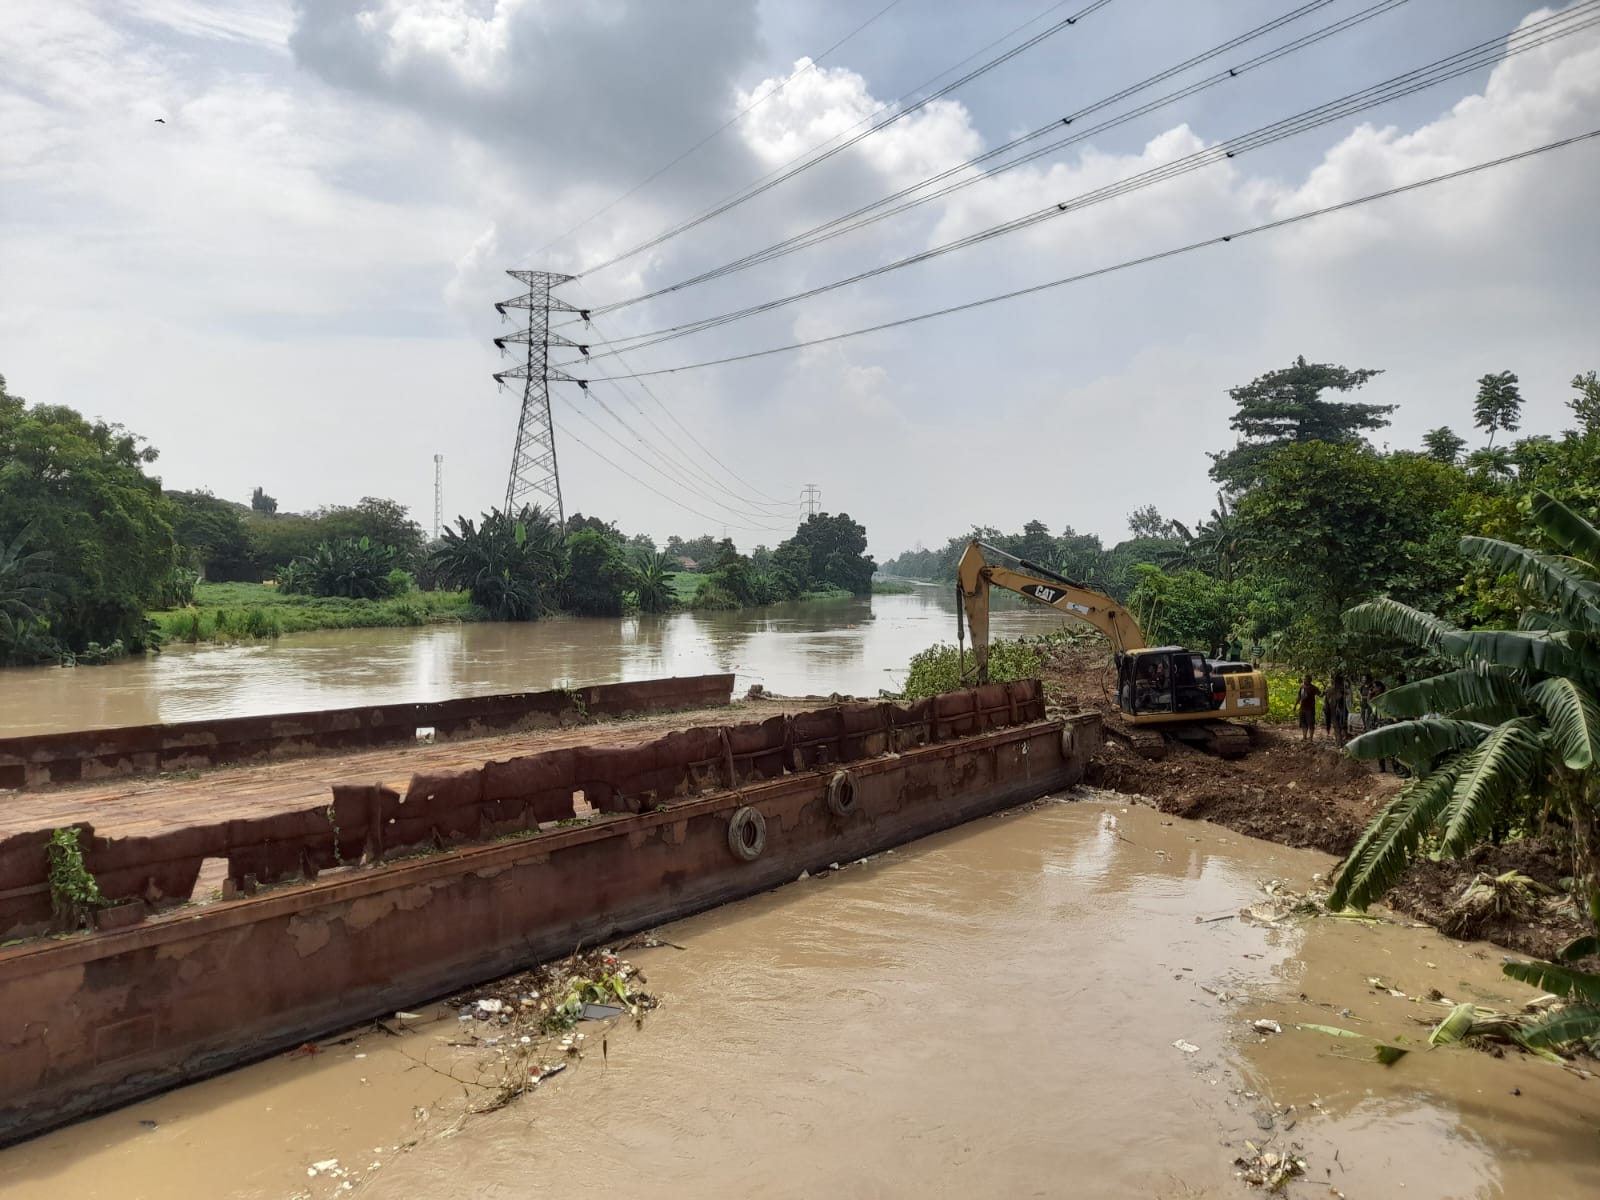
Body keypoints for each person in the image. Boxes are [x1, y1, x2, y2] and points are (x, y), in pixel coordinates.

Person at [1326, 672, 1351, 746]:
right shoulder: (1334, 690)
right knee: (1339, 726)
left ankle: (1339, 741)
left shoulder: (1339, 690)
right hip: (1336, 710)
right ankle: (1339, 741)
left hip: (1338, 710)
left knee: (1338, 726)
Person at [1296, 675, 1321, 743]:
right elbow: (1299, 696)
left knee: (1310, 723)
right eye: (1304, 679)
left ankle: (1311, 739)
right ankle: (1304, 737)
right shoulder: (1302, 687)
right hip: (1302, 708)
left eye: (1306, 679)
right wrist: (1295, 705)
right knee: (1303, 723)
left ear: (1310, 680)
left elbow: (1320, 694)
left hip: (1310, 708)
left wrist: (1324, 691)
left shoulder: (1313, 688)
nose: (1304, 681)